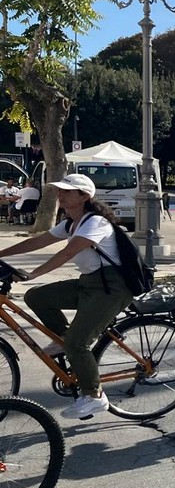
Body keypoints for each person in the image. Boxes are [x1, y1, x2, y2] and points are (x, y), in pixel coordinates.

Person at [0, 174, 136, 419]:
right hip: (89, 282)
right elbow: (38, 242)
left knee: (77, 343)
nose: (60, 195)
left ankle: (94, 395)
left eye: (67, 191)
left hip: (112, 288)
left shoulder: (96, 222)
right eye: (59, 190)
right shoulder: (70, 223)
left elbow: (67, 253)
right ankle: (62, 338)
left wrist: (34, 273)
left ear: (84, 196)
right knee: (37, 297)